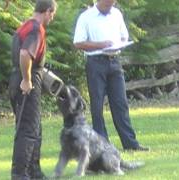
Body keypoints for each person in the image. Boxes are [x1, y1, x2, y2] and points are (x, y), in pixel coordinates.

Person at [73, 0, 149, 151]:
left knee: (120, 103)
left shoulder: (116, 14)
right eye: (107, 4)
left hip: (114, 61)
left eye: (112, 4)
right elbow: (78, 42)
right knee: (97, 104)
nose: (110, 7)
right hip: (96, 62)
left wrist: (119, 43)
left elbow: (124, 36)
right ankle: (102, 144)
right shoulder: (86, 17)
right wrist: (101, 45)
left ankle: (130, 143)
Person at [8, 0, 57, 179]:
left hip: (15, 78)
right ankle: (21, 174)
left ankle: (35, 172)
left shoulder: (25, 26)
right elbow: (25, 54)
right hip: (25, 80)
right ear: (48, 11)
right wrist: (27, 80)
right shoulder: (36, 29)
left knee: (34, 128)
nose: (52, 18)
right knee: (28, 130)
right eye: (52, 14)